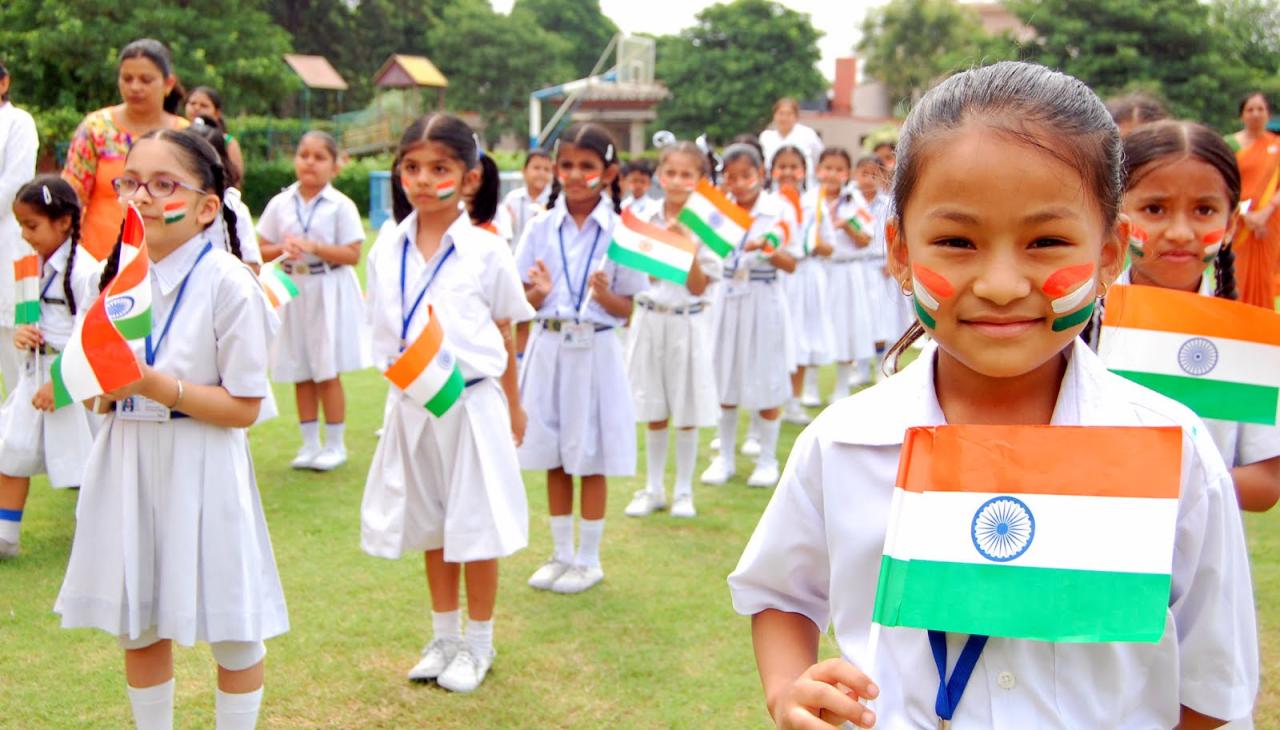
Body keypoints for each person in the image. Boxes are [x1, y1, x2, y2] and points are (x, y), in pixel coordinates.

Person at [729, 61, 1256, 729]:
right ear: (898, 251)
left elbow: (1212, 684)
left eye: (1045, 242)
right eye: (956, 242)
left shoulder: (1177, 456)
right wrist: (786, 687)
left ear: (1107, 256)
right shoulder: (843, 445)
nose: (1002, 283)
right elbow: (780, 590)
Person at [55, 128, 287, 730]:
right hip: (127, 459)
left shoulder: (230, 284)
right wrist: (102, 393)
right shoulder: (117, 284)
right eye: (130, 183)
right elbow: (99, 385)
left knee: (234, 626)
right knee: (140, 620)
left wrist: (159, 387)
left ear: (208, 206)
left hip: (202, 463)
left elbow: (245, 406)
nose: (144, 197)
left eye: (165, 185)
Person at [361, 114, 532, 693]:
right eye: (411, 167)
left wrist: (513, 405)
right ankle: (443, 637)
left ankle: (478, 644)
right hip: (414, 404)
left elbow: (506, 329)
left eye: (440, 168)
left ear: (469, 176)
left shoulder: (486, 250)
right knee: (432, 523)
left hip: (473, 403)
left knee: (475, 525)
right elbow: (381, 329)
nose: (423, 179)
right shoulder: (388, 247)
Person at [1097, 120, 1280, 520]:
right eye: (1155, 209)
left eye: (1204, 210)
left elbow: (1266, 483)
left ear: (1231, 224)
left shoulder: (1250, 341)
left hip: (1204, 563)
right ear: (1117, 219)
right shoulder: (1083, 326)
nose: (1180, 232)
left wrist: (1160, 480)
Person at [515, 123, 647, 594]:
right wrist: (537, 292)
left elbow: (632, 309)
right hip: (549, 346)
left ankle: (588, 559)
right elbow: (518, 302)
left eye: (587, 166)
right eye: (566, 165)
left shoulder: (623, 232)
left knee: (589, 454)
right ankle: (559, 553)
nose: (574, 174)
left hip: (595, 347)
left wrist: (607, 296)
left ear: (608, 171)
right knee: (552, 452)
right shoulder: (538, 226)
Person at [257, 131, 368, 471]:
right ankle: (309, 444)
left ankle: (335, 444)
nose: (309, 162)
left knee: (326, 368)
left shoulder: (340, 205)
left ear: (335, 167)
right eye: (304, 154)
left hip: (326, 288)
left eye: (319, 157)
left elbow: (352, 253)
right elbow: (260, 247)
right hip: (293, 287)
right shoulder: (281, 203)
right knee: (299, 366)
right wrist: (282, 248)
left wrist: (316, 247)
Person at [623, 140, 721, 519]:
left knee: (686, 406)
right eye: (671, 173)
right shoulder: (644, 215)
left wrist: (686, 246)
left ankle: (683, 490)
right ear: (659, 175)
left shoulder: (706, 224)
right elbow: (643, 274)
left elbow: (698, 284)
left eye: (686, 175)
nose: (677, 181)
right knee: (653, 404)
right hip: (651, 317)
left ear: (699, 180)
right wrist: (663, 243)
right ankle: (653, 487)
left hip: (686, 319)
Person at [0, 176, 95, 558]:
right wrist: (22, 335)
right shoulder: (28, 265)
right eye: (21, 225)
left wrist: (60, 384)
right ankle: (5, 534)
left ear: (64, 222)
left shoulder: (86, 271)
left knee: (89, 461)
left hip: (70, 382)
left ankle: (96, 537)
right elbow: (29, 314)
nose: (25, 235)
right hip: (32, 377)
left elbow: (90, 337)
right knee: (11, 450)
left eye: (31, 225)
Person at [700, 138, 799, 489]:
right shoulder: (717, 212)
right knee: (723, 376)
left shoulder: (779, 210)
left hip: (763, 295)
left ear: (761, 174)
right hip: (727, 296)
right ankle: (724, 457)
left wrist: (768, 249)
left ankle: (767, 459)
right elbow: (706, 256)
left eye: (746, 175)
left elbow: (791, 263)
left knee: (766, 375)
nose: (739, 183)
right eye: (732, 176)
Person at [62, 39, 189, 261]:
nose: (135, 87)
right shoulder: (96, 129)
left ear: (168, 84)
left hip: (167, 260)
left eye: (146, 79)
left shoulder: (185, 136)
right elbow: (72, 196)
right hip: (98, 259)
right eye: (127, 78)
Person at [771, 145, 832, 425]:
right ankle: (767, 407)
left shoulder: (814, 204)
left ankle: (794, 402)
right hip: (776, 277)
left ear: (804, 171)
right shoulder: (766, 203)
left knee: (802, 337)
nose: (787, 172)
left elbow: (829, 245)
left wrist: (817, 245)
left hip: (806, 275)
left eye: (792, 166)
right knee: (773, 340)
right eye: (781, 166)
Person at [824, 156, 880, 400]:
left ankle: (842, 385)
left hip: (847, 270)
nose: (833, 174)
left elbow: (866, 238)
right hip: (819, 269)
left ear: (847, 173)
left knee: (846, 326)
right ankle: (808, 388)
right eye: (828, 168)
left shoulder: (852, 201)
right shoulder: (809, 201)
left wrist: (846, 225)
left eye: (839, 169)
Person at [0, 61, 38, 398]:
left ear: (4, 83)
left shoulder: (17, 123)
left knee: (17, 355)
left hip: (11, 247)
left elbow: (14, 186)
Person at [1227, 93, 1280, 309]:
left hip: (1269, 222)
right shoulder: (1229, 144)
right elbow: (1223, 183)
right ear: (1242, 115)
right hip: (1237, 220)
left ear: (1268, 114)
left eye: (1261, 109)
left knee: (1265, 272)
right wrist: (1246, 215)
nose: (1256, 114)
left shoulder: (1276, 145)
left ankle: (1263, 324)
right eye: (1250, 109)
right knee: (1235, 272)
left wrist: (1265, 213)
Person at [184, 86, 245, 180]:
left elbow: (236, 178)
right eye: (192, 103)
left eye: (204, 105)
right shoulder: (179, 135)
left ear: (217, 113)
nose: (196, 108)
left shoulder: (227, 141)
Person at [760, 98, 823, 187]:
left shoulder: (808, 135)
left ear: (796, 116)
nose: (784, 118)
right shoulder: (766, 137)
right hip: (774, 188)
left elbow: (819, 158)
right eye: (781, 113)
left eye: (789, 114)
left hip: (804, 188)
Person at [498, 148, 552, 249]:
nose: (541, 173)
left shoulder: (555, 201)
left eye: (546, 169)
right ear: (524, 171)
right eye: (536, 168)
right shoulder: (512, 199)